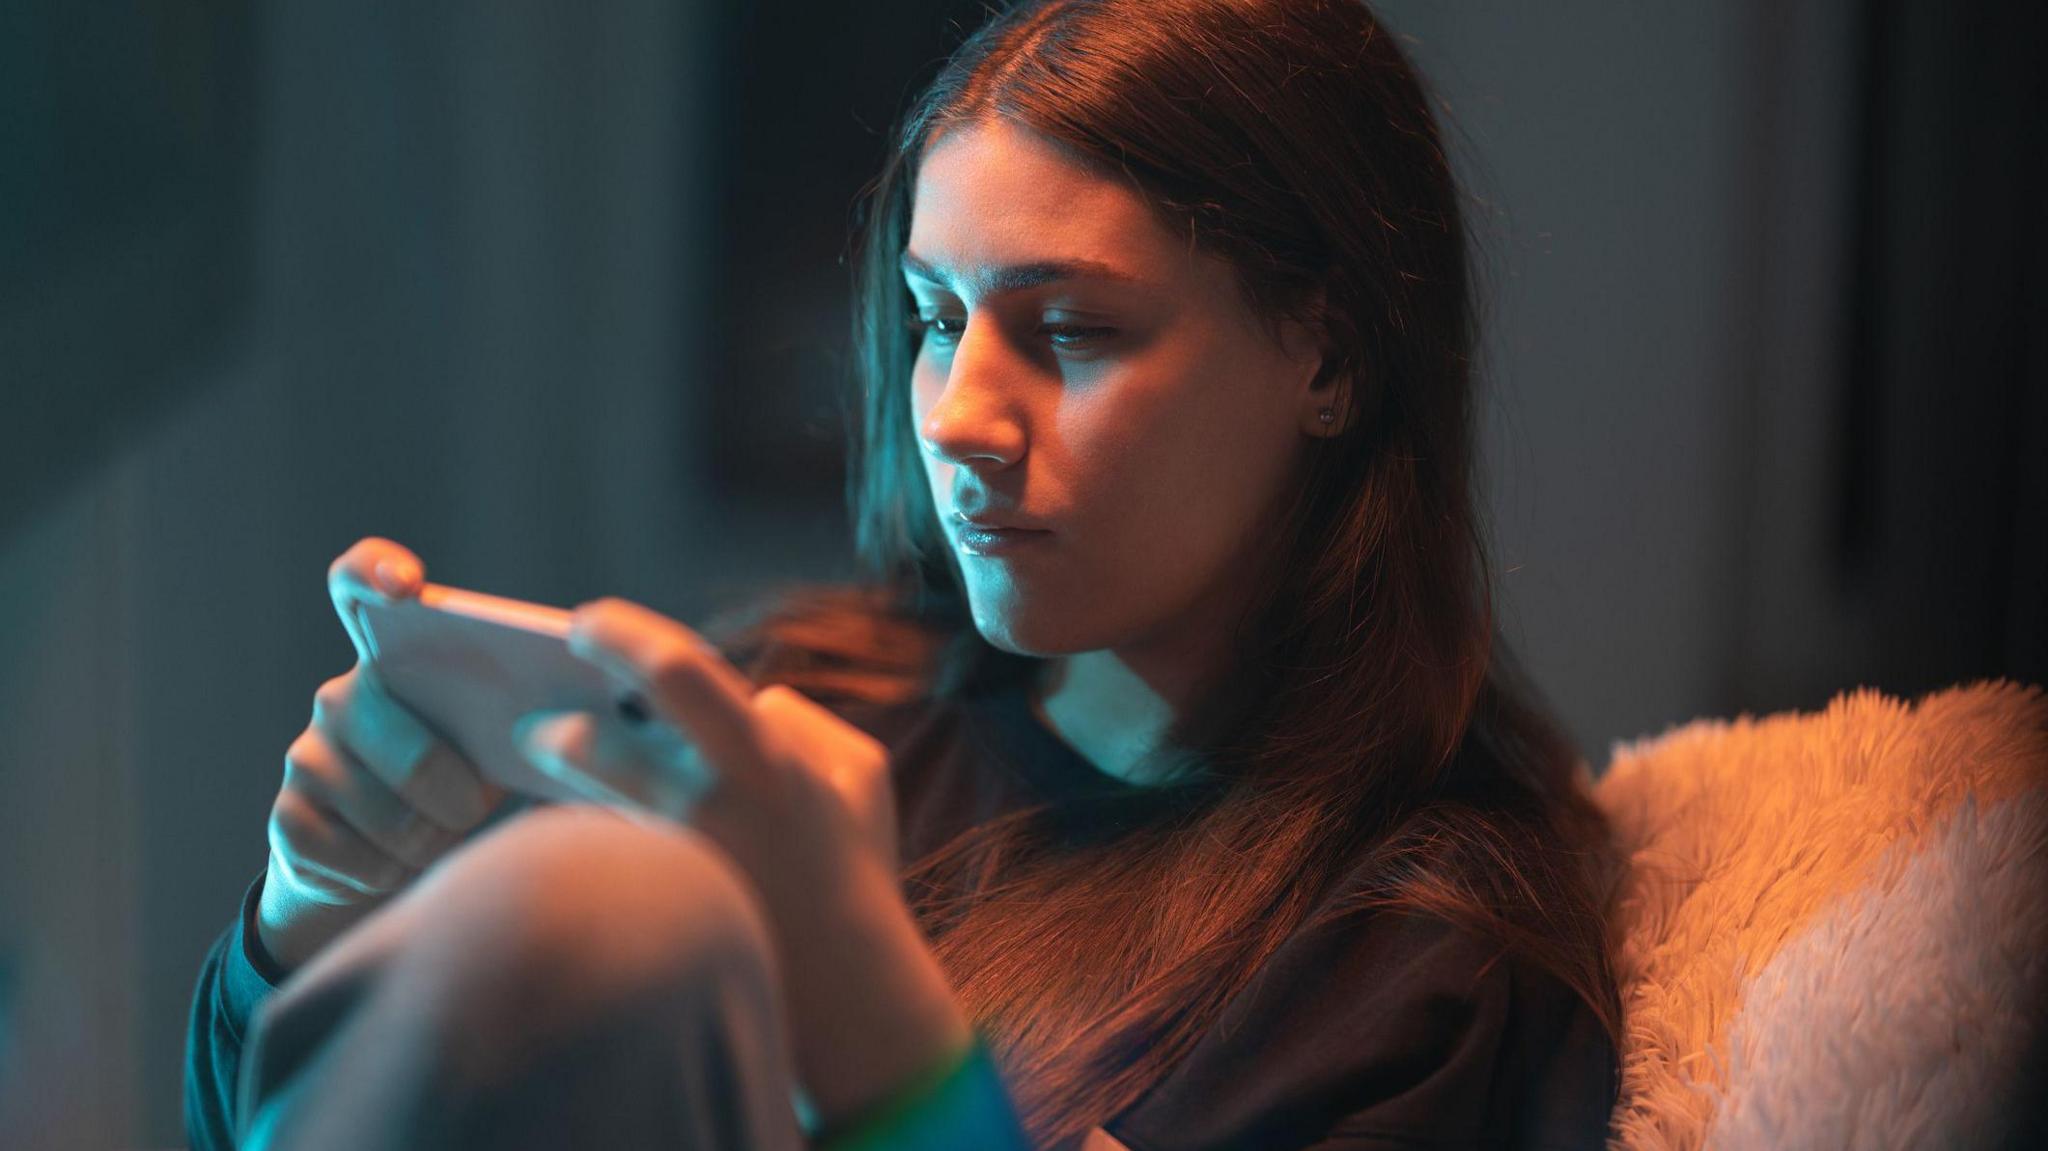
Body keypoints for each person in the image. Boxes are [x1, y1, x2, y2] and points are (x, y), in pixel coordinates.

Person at [185, 0, 1625, 1147]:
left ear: (1328, 353)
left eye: (1070, 331)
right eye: (936, 319)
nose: (955, 417)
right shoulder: (800, 711)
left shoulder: (1426, 958)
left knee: (618, 917)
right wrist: (307, 916)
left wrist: (870, 1020)